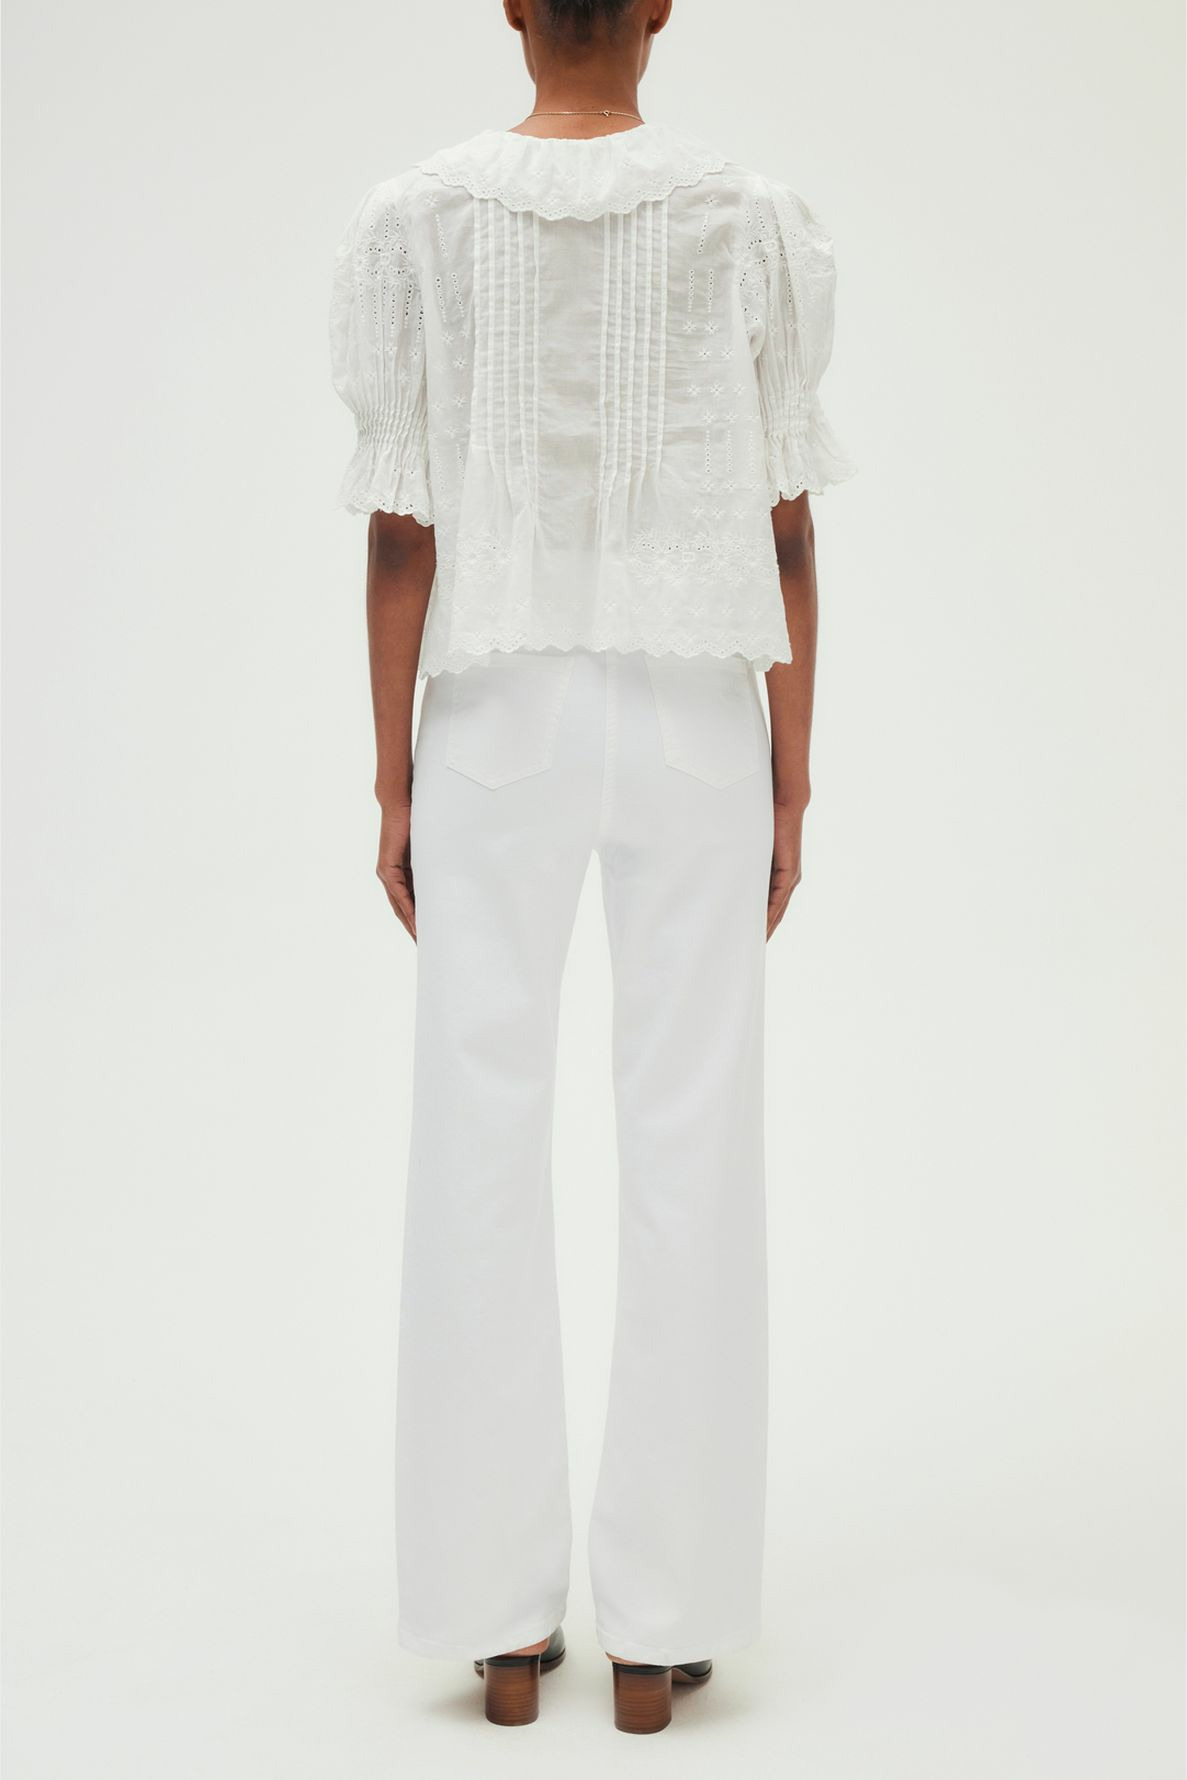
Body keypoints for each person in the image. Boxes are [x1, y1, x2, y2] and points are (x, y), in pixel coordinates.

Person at [327, 0, 856, 1736]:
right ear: (659, 8)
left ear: (509, 6)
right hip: (697, 709)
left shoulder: (418, 218)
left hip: (493, 710)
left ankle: (496, 1626)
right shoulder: (749, 217)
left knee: (476, 1133)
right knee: (690, 1134)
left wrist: (394, 775)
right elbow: (786, 526)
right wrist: (791, 769)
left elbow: (401, 534)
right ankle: (659, 1631)